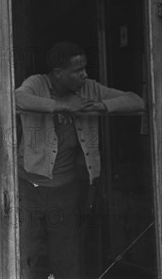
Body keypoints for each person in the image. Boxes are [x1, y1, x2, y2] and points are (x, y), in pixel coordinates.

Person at [15, 42, 145, 279]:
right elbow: (17, 99)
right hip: (28, 188)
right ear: (58, 73)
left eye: (85, 68)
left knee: (67, 257)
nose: (84, 75)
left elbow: (137, 101)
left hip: (66, 189)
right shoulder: (37, 83)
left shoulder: (89, 90)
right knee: (27, 255)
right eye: (78, 70)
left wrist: (102, 106)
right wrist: (63, 106)